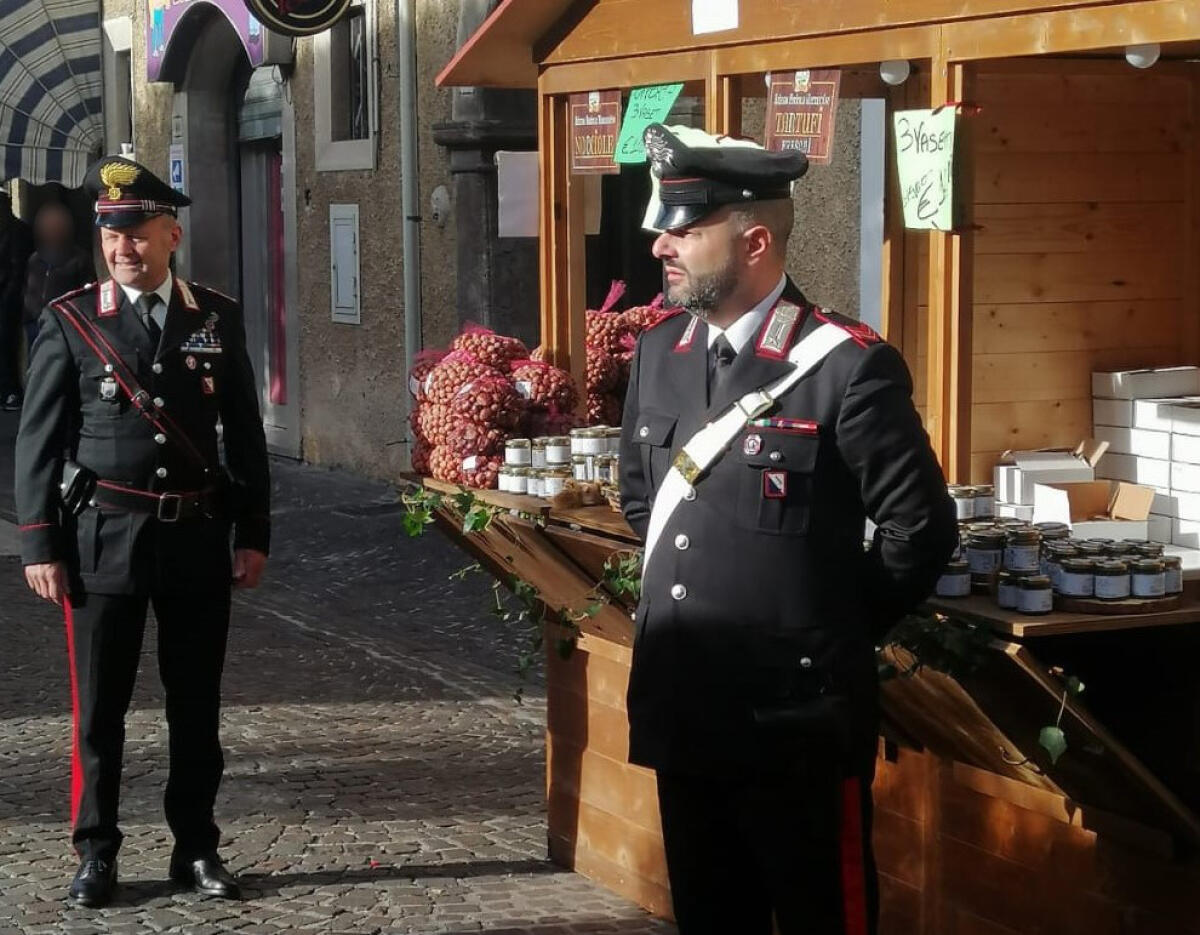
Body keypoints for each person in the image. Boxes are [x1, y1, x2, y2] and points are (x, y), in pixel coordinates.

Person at [618, 124, 957, 935]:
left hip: (796, 727)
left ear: (755, 241)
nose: (662, 244)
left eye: (685, 228)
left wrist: (822, 631)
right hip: (686, 712)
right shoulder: (661, 350)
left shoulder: (844, 364)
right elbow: (642, 500)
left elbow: (919, 529)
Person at [15, 156, 271, 908]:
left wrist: (252, 530)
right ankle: (96, 851)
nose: (122, 248)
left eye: (135, 232)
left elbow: (245, 434)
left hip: (195, 538)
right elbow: (38, 442)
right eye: (110, 234)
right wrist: (40, 542)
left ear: (171, 236)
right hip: (103, 542)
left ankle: (196, 847)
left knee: (196, 707)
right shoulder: (73, 320)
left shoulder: (215, 317)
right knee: (100, 712)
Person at [22, 201, 94, 377]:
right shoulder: (35, 259)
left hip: (64, 325)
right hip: (34, 323)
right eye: (47, 226)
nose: (51, 231)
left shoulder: (79, 259)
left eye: (56, 226)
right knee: (34, 366)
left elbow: (88, 293)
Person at [0, 189, 33, 410]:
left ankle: (11, 391)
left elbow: (18, 268)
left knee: (7, 345)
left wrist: (7, 298)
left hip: (10, 299)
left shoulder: (18, 231)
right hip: (7, 294)